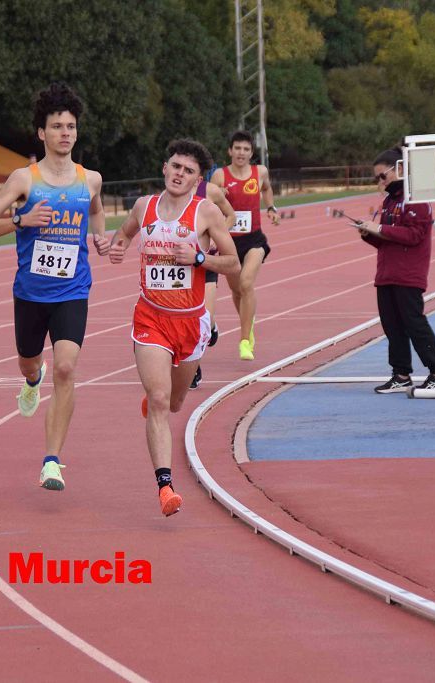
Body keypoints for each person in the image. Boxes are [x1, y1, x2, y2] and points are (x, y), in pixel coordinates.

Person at [0, 82, 108, 493]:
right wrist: (21, 221)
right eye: (56, 126)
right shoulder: (24, 180)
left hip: (73, 290)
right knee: (30, 362)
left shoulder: (91, 180)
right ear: (42, 133)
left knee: (67, 367)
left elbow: (98, 212)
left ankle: (52, 461)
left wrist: (100, 237)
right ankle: (32, 381)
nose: (65, 133)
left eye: (70, 126)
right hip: (30, 294)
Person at [108, 139, 240, 516]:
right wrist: (117, 246)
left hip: (191, 324)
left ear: (198, 180)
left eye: (189, 170)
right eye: (176, 166)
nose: (180, 174)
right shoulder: (143, 206)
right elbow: (126, 233)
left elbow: (232, 263)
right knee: (162, 400)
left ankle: (157, 399)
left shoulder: (207, 213)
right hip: (150, 318)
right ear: (165, 168)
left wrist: (199, 257)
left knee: (176, 401)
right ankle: (165, 487)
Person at [354, 148, 435, 394]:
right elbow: (387, 239)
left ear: (398, 169)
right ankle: (401, 374)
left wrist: (381, 229)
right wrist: (370, 234)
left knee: (413, 323)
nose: (380, 182)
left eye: (382, 176)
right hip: (386, 272)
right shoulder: (389, 202)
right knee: (392, 326)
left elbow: (415, 235)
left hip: (408, 273)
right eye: (376, 178)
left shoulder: (416, 198)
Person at [210, 130, 280, 361]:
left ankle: (244, 341)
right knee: (236, 290)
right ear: (230, 151)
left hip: (254, 240)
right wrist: (218, 194)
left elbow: (267, 188)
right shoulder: (220, 175)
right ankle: (247, 325)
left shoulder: (260, 172)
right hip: (228, 242)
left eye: (246, 149)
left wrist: (271, 207)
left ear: (251, 153)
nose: (241, 153)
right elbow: (208, 204)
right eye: (237, 148)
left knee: (246, 282)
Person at [190, 174, 235, 389]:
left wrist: (216, 232)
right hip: (180, 266)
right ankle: (213, 326)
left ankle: (193, 368)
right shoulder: (168, 197)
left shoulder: (211, 192)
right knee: (189, 319)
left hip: (206, 262)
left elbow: (231, 215)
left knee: (202, 319)